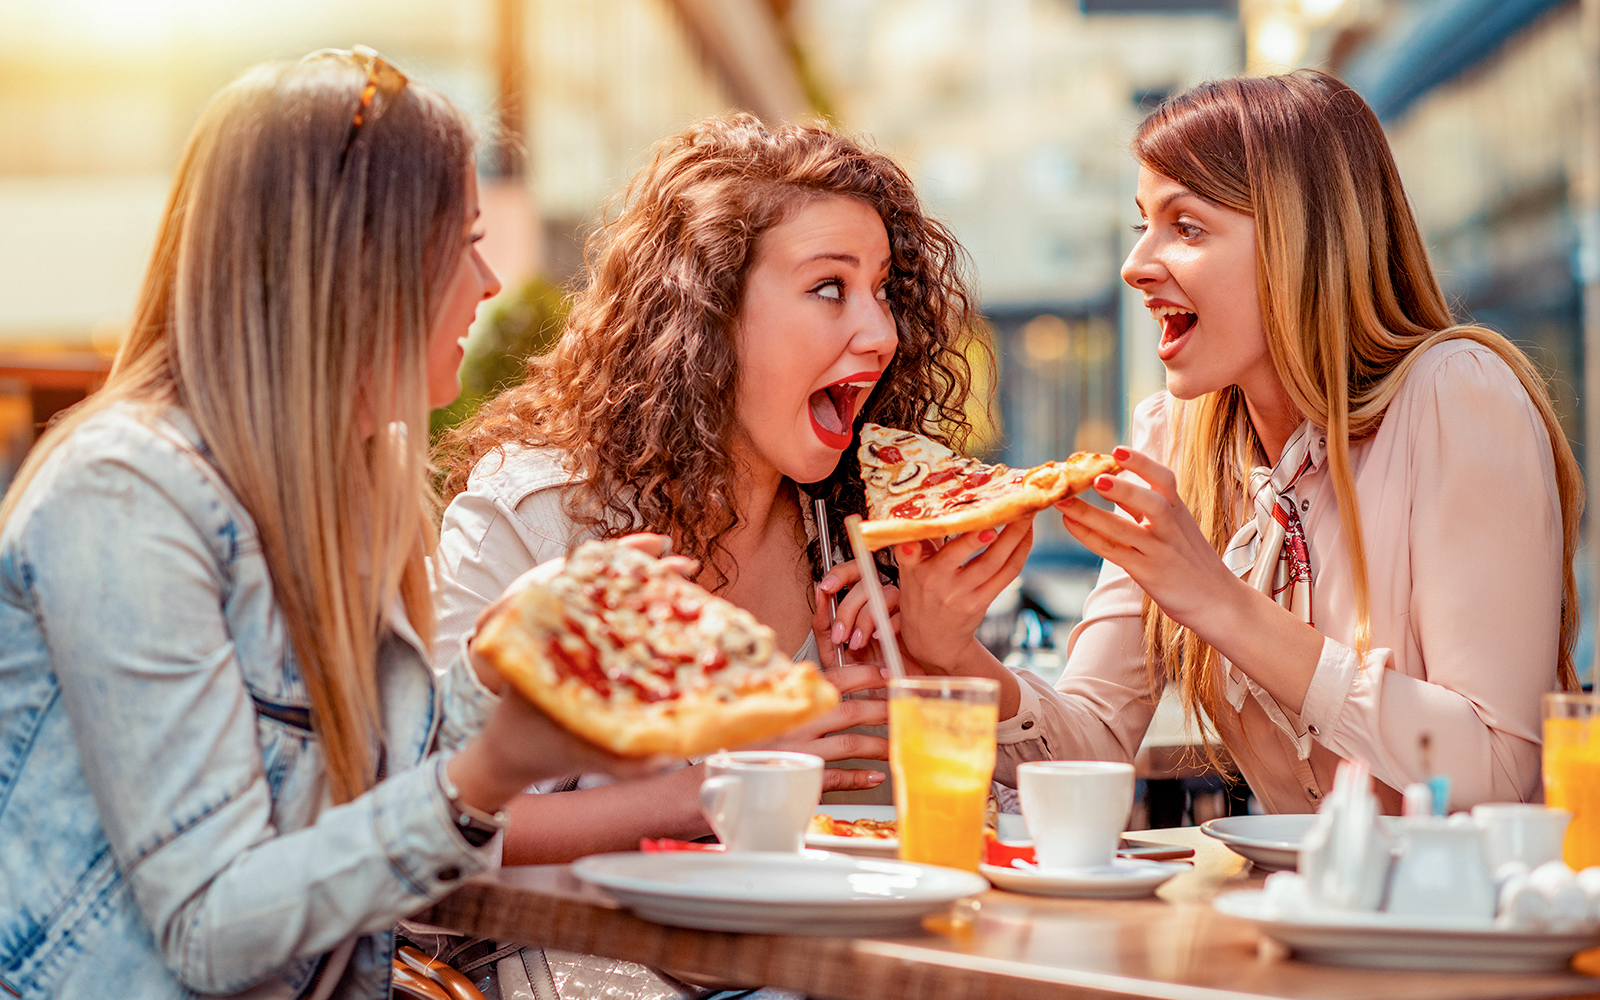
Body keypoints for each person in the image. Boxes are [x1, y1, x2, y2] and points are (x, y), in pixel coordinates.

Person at [0, 50, 660, 1000]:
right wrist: (483, 776)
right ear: (359, 265)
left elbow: (361, 796)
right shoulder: (123, 497)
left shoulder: (350, 486)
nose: (489, 280)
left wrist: (505, 653)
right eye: (461, 242)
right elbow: (214, 927)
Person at [893, 70, 1582, 813]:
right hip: (1277, 920)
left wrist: (1219, 601)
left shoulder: (1458, 395)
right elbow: (1092, 743)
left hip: (1453, 922)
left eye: (1185, 227)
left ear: (1302, 242)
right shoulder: (1176, 438)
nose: (1136, 266)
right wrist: (950, 653)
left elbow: (1502, 774)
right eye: (1142, 226)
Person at [432, 112, 986, 862]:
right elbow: (428, 824)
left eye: (882, 289)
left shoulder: (853, 530)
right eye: (830, 287)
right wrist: (731, 779)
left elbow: (871, 834)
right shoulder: (535, 517)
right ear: (709, 315)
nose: (881, 333)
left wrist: (906, 694)